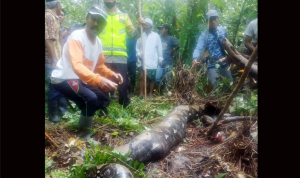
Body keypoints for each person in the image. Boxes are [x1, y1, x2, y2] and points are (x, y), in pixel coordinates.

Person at [50, 5, 123, 142]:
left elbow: (100, 65)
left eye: (100, 21)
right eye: (93, 19)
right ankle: (83, 137)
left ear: (104, 25)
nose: (95, 24)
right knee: (90, 98)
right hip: (64, 77)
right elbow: (77, 66)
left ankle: (86, 115)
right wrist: (99, 80)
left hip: (78, 78)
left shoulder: (98, 42)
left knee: (101, 96)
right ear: (87, 19)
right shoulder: (77, 36)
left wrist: (112, 75)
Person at [99, 0, 144, 107]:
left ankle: (125, 102)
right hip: (102, 54)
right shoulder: (100, 15)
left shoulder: (124, 17)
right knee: (103, 80)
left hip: (120, 55)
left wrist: (138, 26)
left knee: (122, 80)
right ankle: (103, 105)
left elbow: (133, 35)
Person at [192, 10, 233, 88]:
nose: (213, 22)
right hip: (211, 65)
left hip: (225, 63)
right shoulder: (204, 36)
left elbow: (228, 45)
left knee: (230, 87)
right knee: (215, 90)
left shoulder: (223, 31)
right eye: (210, 20)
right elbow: (198, 48)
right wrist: (195, 58)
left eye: (215, 19)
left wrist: (232, 57)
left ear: (218, 19)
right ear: (206, 22)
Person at [45, 0, 69, 123]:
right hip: (52, 59)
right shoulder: (49, 17)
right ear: (57, 5)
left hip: (58, 58)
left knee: (60, 82)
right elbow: (48, 39)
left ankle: (62, 110)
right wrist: (55, 59)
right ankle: (52, 115)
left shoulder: (54, 18)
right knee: (55, 84)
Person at [136, 18, 163, 99]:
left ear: (151, 27)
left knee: (152, 78)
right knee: (141, 77)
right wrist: (138, 54)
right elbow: (137, 47)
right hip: (143, 61)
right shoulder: (141, 36)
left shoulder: (156, 36)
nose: (145, 26)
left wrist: (160, 58)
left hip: (152, 60)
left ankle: (150, 94)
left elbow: (159, 48)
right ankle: (141, 94)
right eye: (144, 25)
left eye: (147, 25)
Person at [156, 24, 179, 89]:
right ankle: (163, 87)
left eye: (162, 29)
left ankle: (167, 93)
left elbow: (178, 45)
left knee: (168, 79)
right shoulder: (159, 38)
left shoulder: (171, 38)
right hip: (160, 62)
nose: (160, 30)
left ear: (167, 29)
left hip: (169, 61)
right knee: (157, 79)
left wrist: (173, 50)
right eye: (160, 29)